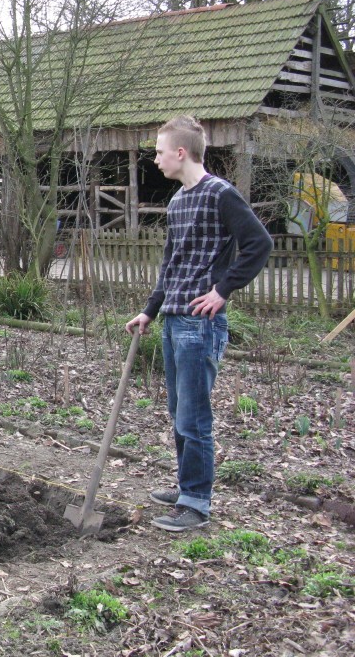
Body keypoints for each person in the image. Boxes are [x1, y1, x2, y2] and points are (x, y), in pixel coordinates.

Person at [126, 116, 271, 532]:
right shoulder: (177, 201)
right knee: (178, 411)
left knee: (194, 415)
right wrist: (150, 310)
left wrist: (223, 289)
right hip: (174, 320)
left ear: (181, 152)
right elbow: (171, 264)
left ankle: (196, 503)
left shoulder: (220, 194)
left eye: (158, 151)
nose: (155, 159)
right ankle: (187, 487)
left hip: (200, 324)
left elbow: (259, 243)